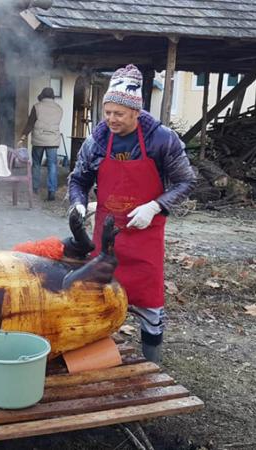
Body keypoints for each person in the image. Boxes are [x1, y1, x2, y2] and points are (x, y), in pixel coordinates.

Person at [67, 64, 195, 364]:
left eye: (119, 113)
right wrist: (78, 203)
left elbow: (186, 181)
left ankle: (153, 363)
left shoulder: (161, 139)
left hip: (145, 237)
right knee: (97, 299)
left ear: (136, 112)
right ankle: (96, 360)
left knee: (149, 305)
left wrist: (155, 206)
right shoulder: (98, 140)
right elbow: (78, 179)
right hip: (106, 237)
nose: (111, 119)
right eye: (107, 112)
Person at [18, 87, 64, 201]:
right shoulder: (59, 108)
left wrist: (23, 137)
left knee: (36, 164)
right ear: (52, 96)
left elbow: (30, 124)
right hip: (53, 140)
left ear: (42, 95)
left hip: (39, 139)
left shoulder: (37, 107)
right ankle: (52, 191)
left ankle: (34, 189)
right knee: (52, 165)